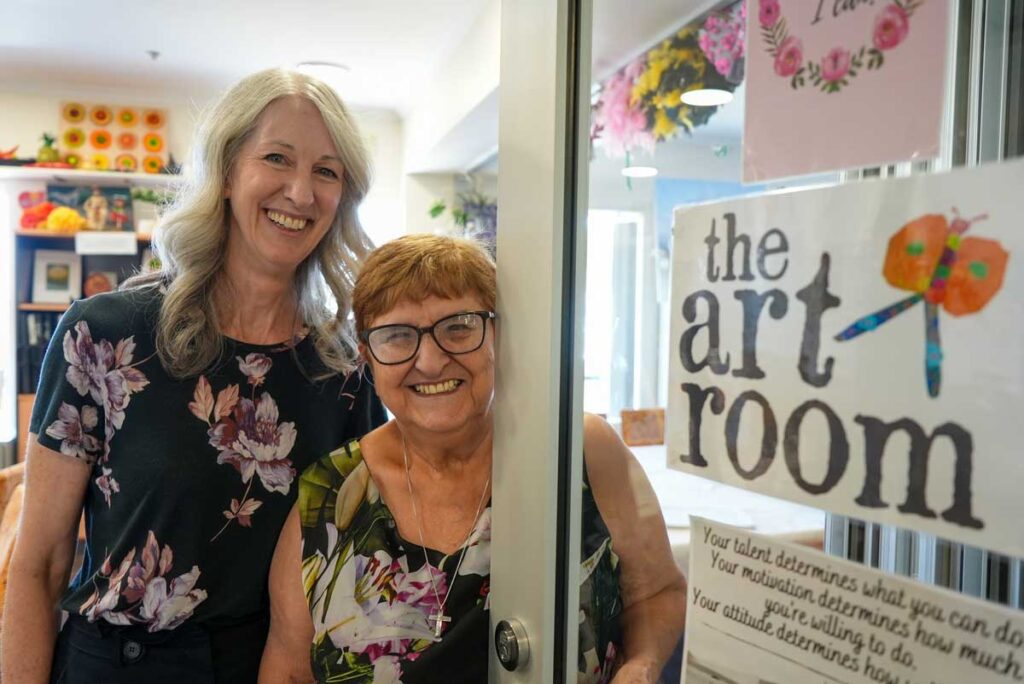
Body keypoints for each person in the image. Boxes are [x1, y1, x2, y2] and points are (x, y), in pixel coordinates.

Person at [2, 68, 387, 683]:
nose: (300, 191)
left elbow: (358, 556)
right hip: (117, 665)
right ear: (229, 171)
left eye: (327, 171)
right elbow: (39, 561)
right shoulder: (104, 334)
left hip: (272, 665)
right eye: (277, 158)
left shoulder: (344, 368)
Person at [259, 234, 687, 684]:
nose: (430, 361)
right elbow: (287, 668)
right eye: (397, 336)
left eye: (458, 327)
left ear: (497, 336)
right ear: (368, 358)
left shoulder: (576, 450)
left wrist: (641, 665)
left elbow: (657, 592)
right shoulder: (327, 494)